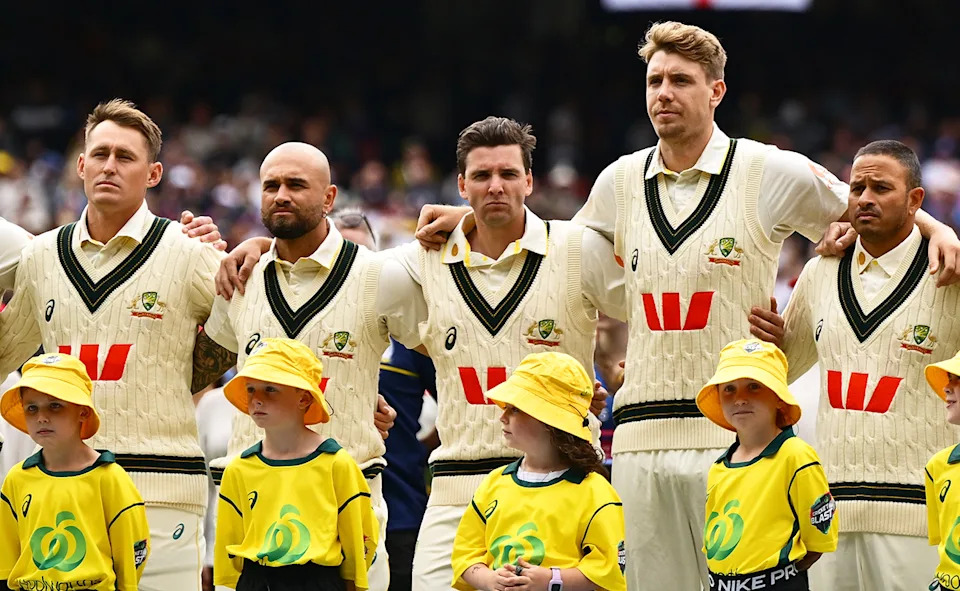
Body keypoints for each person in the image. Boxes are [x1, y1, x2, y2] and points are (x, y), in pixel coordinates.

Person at [0, 98, 229, 591]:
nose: (109, 165)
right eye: (99, 153)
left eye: (125, 157)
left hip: (162, 489)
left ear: (153, 173)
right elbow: (4, 354)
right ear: (80, 165)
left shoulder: (192, 254)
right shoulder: (40, 257)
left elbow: (249, 339)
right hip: (61, 490)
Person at [203, 142, 426, 591]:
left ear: (329, 198)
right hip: (252, 491)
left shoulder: (380, 274)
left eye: (296, 185)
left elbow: (443, 349)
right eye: (271, 186)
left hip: (348, 489)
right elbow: (208, 364)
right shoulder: (239, 279)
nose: (281, 195)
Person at [752, 140, 960, 590]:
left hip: (924, 516)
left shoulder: (950, 272)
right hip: (832, 515)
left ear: (915, 200)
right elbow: (778, 373)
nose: (864, 198)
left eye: (881, 188)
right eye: (857, 187)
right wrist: (768, 344)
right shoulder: (821, 272)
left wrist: (944, 234)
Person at [451, 351, 626, 591]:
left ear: (550, 421)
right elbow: (465, 555)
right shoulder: (494, 483)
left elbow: (610, 571)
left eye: (515, 409)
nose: (502, 417)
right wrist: (488, 579)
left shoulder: (595, 492)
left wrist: (552, 580)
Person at [215, 337, 378, 591]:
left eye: (270, 389)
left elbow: (358, 537)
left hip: (319, 581)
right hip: (256, 580)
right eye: (250, 389)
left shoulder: (336, 463)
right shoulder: (239, 469)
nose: (256, 399)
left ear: (303, 399)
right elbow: (229, 544)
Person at [332, 206, 439, 591]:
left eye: (359, 255)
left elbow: (459, 396)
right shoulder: (308, 329)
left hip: (399, 512)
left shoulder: (407, 334)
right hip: (322, 509)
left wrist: (418, 444)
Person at [0, 353, 150, 591]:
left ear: (83, 412)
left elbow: (132, 555)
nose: (41, 417)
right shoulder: (16, 479)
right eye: (31, 408)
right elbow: (6, 563)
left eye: (55, 405)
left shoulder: (110, 478)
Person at [696, 339, 837, 590]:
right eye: (729, 389)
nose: (740, 399)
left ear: (779, 398)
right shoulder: (719, 466)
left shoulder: (795, 456)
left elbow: (818, 537)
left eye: (754, 387)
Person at [923, 351, 960, 591]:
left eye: (957, 379)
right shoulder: (937, 466)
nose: (947, 388)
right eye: (948, 378)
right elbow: (945, 548)